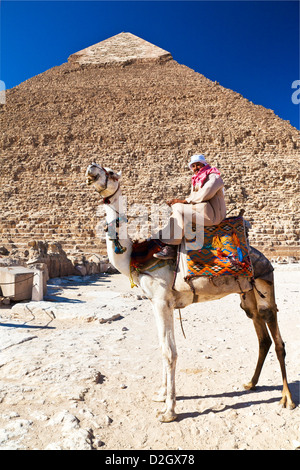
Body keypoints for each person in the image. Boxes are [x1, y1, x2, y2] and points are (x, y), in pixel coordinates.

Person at [153, 154, 226, 259]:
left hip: (213, 215)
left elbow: (206, 193)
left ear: (204, 164)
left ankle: (171, 246)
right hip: (203, 211)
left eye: (198, 165)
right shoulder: (197, 179)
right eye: (193, 166)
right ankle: (161, 237)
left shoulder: (213, 176)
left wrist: (184, 201)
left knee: (178, 207)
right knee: (176, 207)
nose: (195, 168)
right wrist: (182, 202)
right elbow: (194, 197)